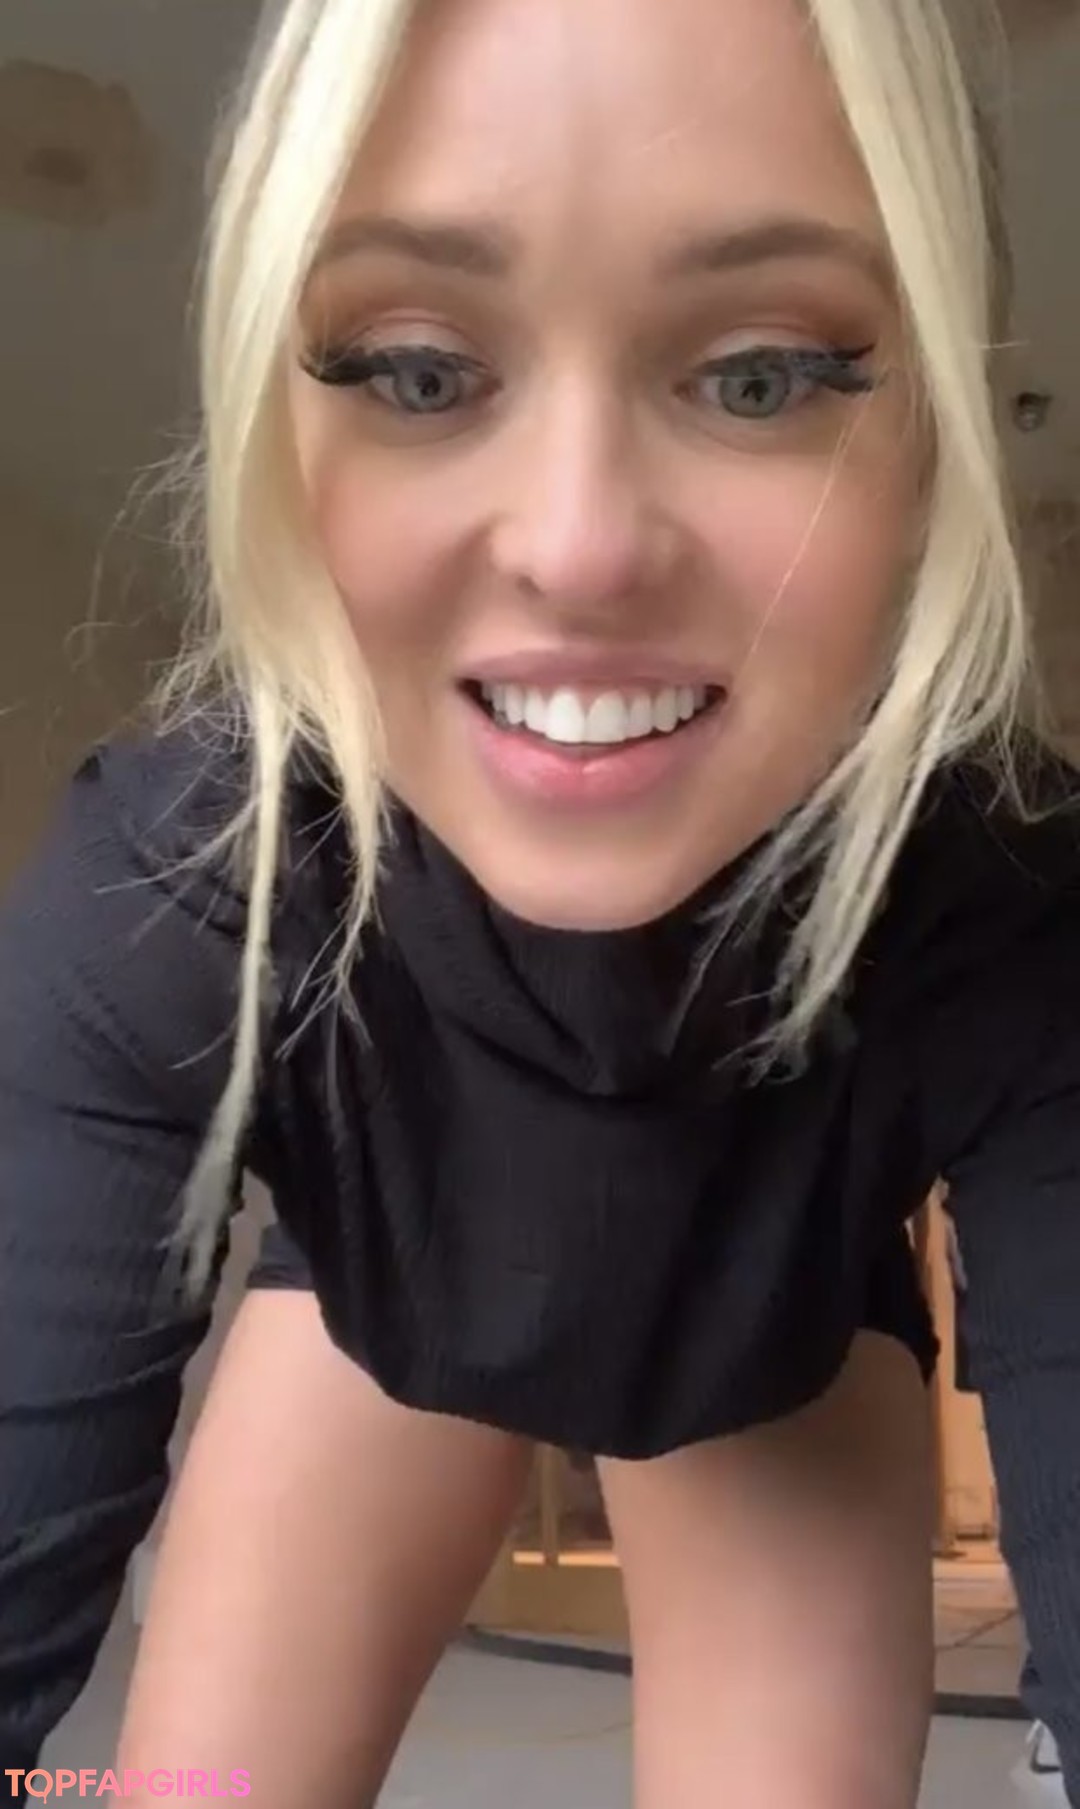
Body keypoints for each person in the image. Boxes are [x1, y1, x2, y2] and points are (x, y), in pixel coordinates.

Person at [2, 0, 1079, 1802]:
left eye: (761, 375)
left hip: (774, 1355)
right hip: (378, 1320)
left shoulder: (1012, 909)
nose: (578, 548)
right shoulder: (182, 875)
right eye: (419, 372)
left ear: (932, 441)